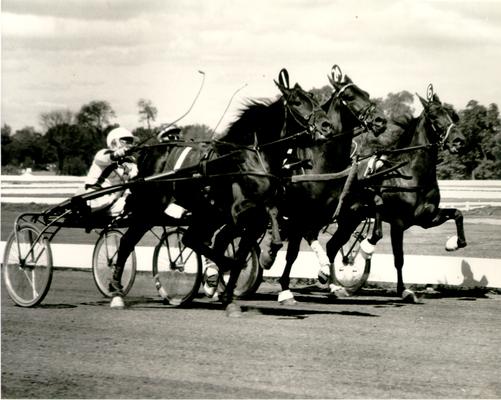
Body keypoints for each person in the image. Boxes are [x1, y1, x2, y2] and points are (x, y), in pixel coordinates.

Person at [79, 127, 138, 217]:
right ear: (114, 141)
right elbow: (104, 159)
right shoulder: (103, 153)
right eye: (125, 140)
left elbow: (135, 176)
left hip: (113, 203)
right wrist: (117, 154)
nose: (128, 144)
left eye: (130, 141)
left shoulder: (130, 163)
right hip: (93, 200)